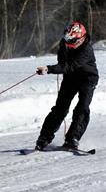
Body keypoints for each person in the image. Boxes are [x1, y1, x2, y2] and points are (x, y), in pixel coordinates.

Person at [35, 21, 99, 150]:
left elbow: (70, 66)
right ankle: (44, 137)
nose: (69, 43)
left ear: (81, 38)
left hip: (87, 79)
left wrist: (49, 69)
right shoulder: (65, 43)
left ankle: (73, 138)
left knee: (82, 108)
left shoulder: (86, 49)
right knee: (60, 108)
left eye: (72, 40)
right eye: (67, 39)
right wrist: (55, 68)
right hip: (70, 78)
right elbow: (62, 62)